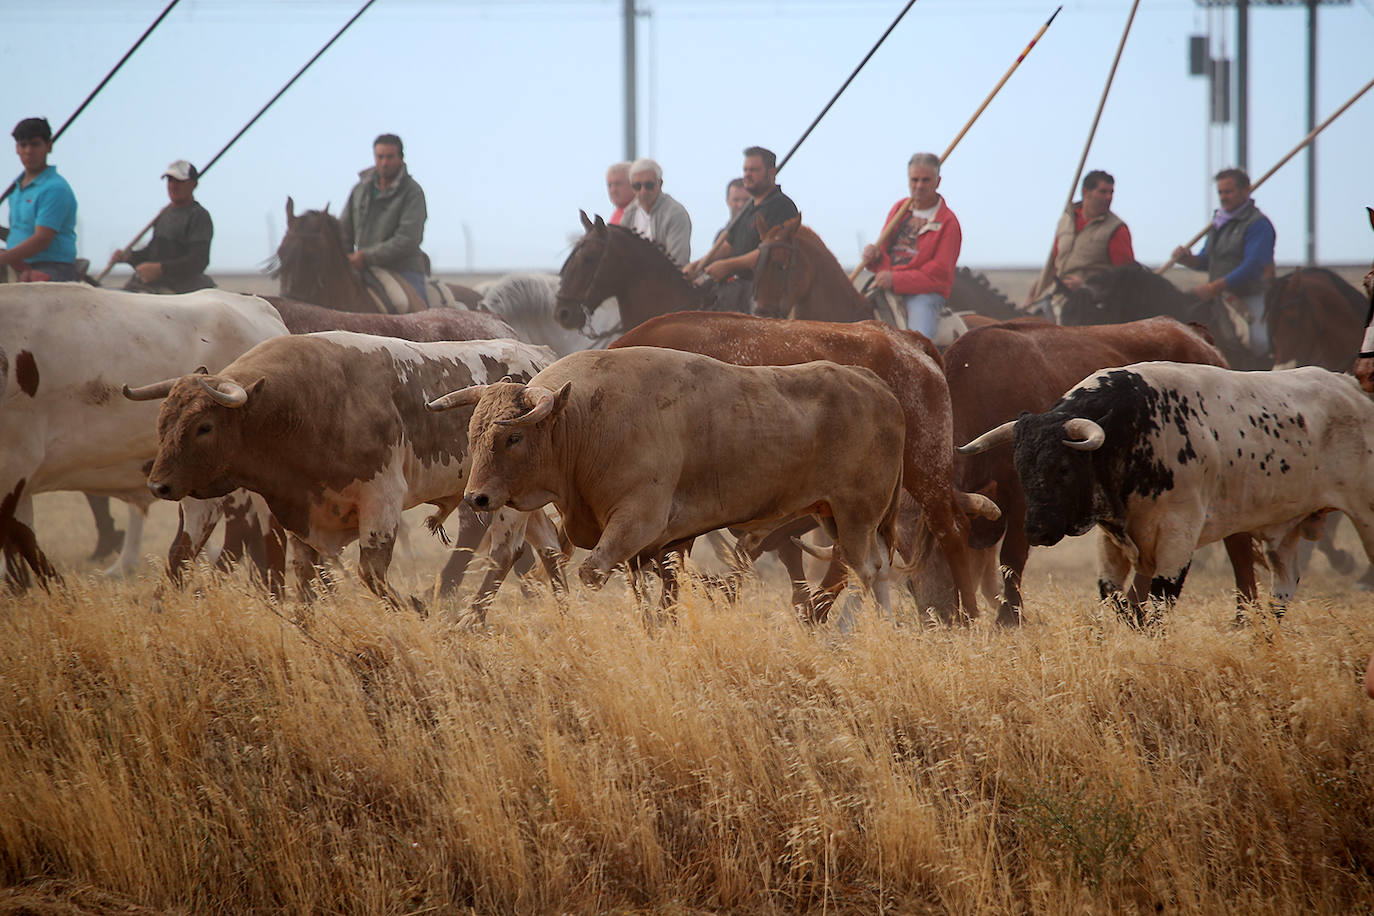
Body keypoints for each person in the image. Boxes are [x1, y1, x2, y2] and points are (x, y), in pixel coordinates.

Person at [1172, 167, 1276, 358]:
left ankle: (1265, 370)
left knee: (1259, 342)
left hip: (1249, 295)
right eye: (1220, 192)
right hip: (1219, 298)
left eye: (1228, 191)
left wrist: (1213, 288)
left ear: (1245, 191)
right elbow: (1206, 260)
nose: (1223, 197)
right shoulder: (1219, 222)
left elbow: (1253, 267)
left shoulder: (1258, 224)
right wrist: (1188, 259)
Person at [859, 152, 962, 338]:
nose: (919, 186)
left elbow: (938, 274)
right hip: (887, 285)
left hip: (923, 294)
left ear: (937, 182)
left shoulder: (948, 222)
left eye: (926, 180)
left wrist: (895, 279)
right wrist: (873, 257)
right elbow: (885, 249)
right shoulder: (900, 209)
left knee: (916, 342)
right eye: (915, 180)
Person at [684, 146, 799, 312]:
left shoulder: (782, 206)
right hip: (732, 289)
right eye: (745, 170)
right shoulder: (748, 208)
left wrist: (728, 266)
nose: (747, 175)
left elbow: (770, 253)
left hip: (759, 294)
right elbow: (729, 246)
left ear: (772, 173)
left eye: (754, 170)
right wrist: (699, 264)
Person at [339, 132, 430, 306]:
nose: (384, 163)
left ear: (401, 158)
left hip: (403, 269)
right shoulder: (360, 190)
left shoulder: (413, 192)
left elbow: (407, 238)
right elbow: (343, 230)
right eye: (380, 157)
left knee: (413, 311)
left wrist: (366, 256)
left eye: (390, 157)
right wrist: (346, 258)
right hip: (362, 268)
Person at [1025, 169, 1134, 309]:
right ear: (1086, 192)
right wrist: (1031, 296)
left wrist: (1086, 287)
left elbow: (1127, 278)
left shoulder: (1117, 230)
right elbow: (1052, 266)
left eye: (1111, 192)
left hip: (1093, 305)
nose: (1108, 197)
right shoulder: (1066, 221)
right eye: (1103, 192)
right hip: (1057, 299)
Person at [112, 160, 215, 293]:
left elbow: (198, 260)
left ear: (193, 184)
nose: (173, 186)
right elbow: (153, 252)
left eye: (179, 181)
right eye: (170, 180)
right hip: (153, 284)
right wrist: (129, 257)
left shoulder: (199, 216)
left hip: (181, 290)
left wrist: (160, 269)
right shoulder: (164, 214)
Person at [1, 117, 78, 282]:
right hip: (17, 264)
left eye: (35, 144)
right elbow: (20, 233)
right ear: (17, 148)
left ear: (48, 146)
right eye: (23, 145)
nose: (28, 151)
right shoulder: (16, 190)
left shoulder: (55, 188)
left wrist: (3, 259)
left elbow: (41, 240)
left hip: (51, 268)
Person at [618, 157, 692, 266]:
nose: (643, 191)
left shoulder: (675, 214)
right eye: (637, 186)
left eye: (649, 185)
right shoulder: (629, 214)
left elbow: (677, 261)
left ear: (660, 183)